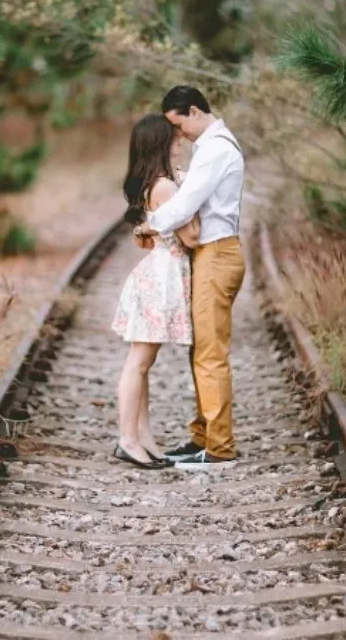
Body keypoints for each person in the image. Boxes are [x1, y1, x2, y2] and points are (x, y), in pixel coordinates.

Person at [135, 86, 245, 469]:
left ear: (194, 111)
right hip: (210, 255)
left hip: (217, 255)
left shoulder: (215, 149)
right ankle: (203, 435)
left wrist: (150, 225)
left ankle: (219, 447)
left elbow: (185, 205)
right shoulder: (209, 148)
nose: (177, 135)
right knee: (200, 350)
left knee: (210, 354)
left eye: (177, 124)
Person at [111, 113, 200, 470]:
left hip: (158, 271)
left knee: (144, 363)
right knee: (139, 362)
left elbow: (147, 237)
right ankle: (127, 439)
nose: (179, 141)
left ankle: (143, 437)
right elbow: (191, 236)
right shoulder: (165, 186)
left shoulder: (158, 181)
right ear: (161, 143)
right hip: (161, 277)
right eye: (173, 137)